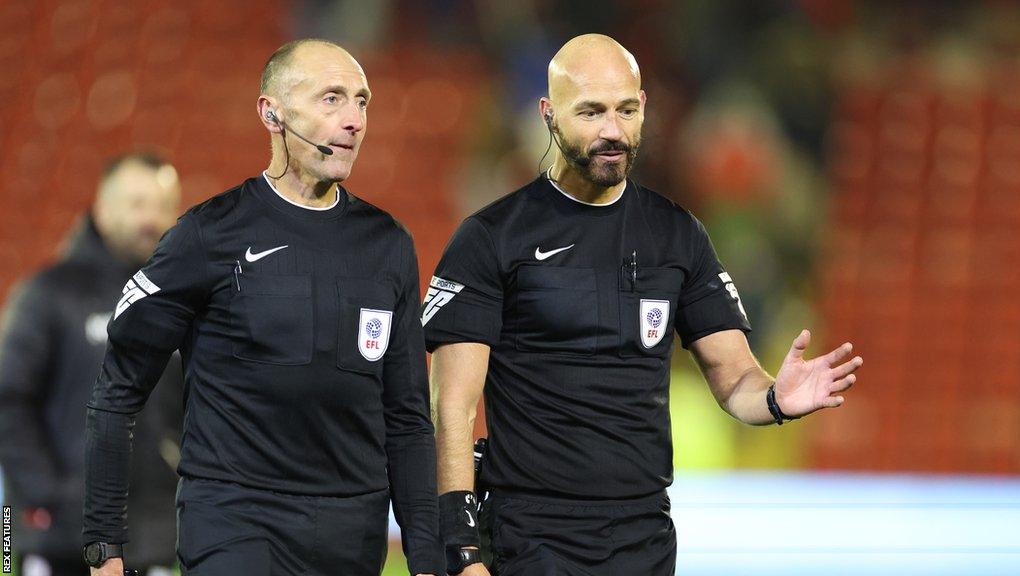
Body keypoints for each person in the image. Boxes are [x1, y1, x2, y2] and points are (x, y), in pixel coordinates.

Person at [424, 34, 863, 576]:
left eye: (626, 110)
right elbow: (452, 408)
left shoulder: (677, 235)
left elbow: (735, 380)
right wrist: (460, 546)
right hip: (530, 535)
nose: (613, 131)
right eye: (591, 112)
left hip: (644, 537)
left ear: (644, 107)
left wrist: (775, 397)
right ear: (549, 114)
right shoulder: (491, 237)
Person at [81, 39, 441, 576]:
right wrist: (102, 545)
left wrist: (427, 556)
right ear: (271, 112)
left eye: (362, 101)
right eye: (332, 99)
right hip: (236, 523)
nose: (354, 121)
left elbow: (408, 418)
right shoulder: (208, 235)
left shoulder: (388, 244)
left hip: (354, 532)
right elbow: (118, 391)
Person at [0, 153, 183, 576]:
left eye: (162, 206)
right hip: (60, 538)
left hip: (152, 538)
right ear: (102, 208)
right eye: (137, 204)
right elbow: (9, 400)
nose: (150, 219)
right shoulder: (49, 293)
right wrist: (47, 494)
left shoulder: (179, 305)